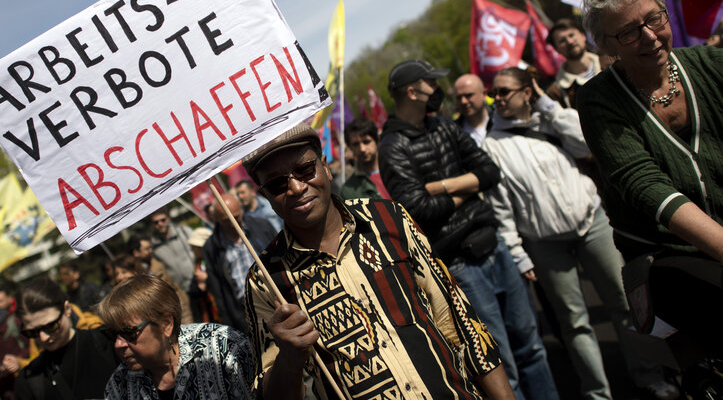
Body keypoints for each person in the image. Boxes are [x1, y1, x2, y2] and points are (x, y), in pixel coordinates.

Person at [241, 122, 515, 400]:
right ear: (264, 195)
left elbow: (460, 323)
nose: (297, 188)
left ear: (325, 166)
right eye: (277, 184)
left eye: (305, 170)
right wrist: (289, 358)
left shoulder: (389, 218)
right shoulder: (266, 280)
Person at [485, 65, 678, 400]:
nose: (497, 98)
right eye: (495, 93)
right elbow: (500, 204)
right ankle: (597, 393)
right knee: (574, 322)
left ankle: (649, 375)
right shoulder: (493, 144)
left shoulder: (552, 120)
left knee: (625, 304)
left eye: (505, 91)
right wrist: (517, 251)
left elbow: (586, 140)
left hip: (592, 224)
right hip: (544, 242)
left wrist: (548, 106)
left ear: (526, 92)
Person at [378, 60, 558, 400]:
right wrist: (468, 188)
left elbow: (490, 172)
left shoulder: (444, 126)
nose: (437, 90)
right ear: (412, 92)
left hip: (496, 246)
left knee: (532, 348)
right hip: (460, 264)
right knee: (500, 363)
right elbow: (419, 211)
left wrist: (441, 186)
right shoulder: (393, 147)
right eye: (431, 84)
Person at [578, 0, 723, 350]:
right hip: (669, 253)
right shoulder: (598, 100)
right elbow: (647, 187)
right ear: (606, 46)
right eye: (628, 32)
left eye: (654, 19)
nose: (649, 36)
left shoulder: (712, 64)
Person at [100, 274, 253, 400]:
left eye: (129, 333)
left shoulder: (224, 347)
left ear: (165, 324)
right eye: (113, 334)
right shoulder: (119, 386)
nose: (118, 344)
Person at [14, 277, 119, 400]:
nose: (43, 338)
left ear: (67, 309)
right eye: (32, 332)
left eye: (51, 326)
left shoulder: (110, 341)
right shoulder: (29, 379)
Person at [203, 193, 276, 333]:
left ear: (241, 210)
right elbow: (219, 291)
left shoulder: (261, 226)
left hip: (274, 299)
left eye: (236, 217)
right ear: (217, 219)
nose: (233, 223)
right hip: (245, 313)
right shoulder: (212, 247)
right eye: (226, 220)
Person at [545, 18, 605, 109]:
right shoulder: (556, 92)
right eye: (562, 41)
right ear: (556, 50)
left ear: (583, 35)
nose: (569, 41)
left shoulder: (611, 62)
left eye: (571, 35)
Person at [339, 118, 391, 200]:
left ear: (377, 140)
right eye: (356, 144)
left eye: (366, 142)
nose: (362, 149)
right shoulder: (349, 191)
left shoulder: (398, 168)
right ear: (350, 147)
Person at [149, 208, 196, 294]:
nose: (160, 224)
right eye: (156, 222)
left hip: (198, 281)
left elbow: (201, 252)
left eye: (163, 220)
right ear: (152, 225)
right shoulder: (153, 246)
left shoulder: (184, 231)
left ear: (168, 219)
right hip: (180, 292)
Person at [186, 227, 218, 323]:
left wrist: (207, 279)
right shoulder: (199, 263)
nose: (191, 249)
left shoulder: (216, 261)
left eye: (193, 246)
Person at [453, 74, 492, 146]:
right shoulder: (453, 134)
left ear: (484, 93)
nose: (463, 101)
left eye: (468, 95)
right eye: (459, 97)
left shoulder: (501, 122)